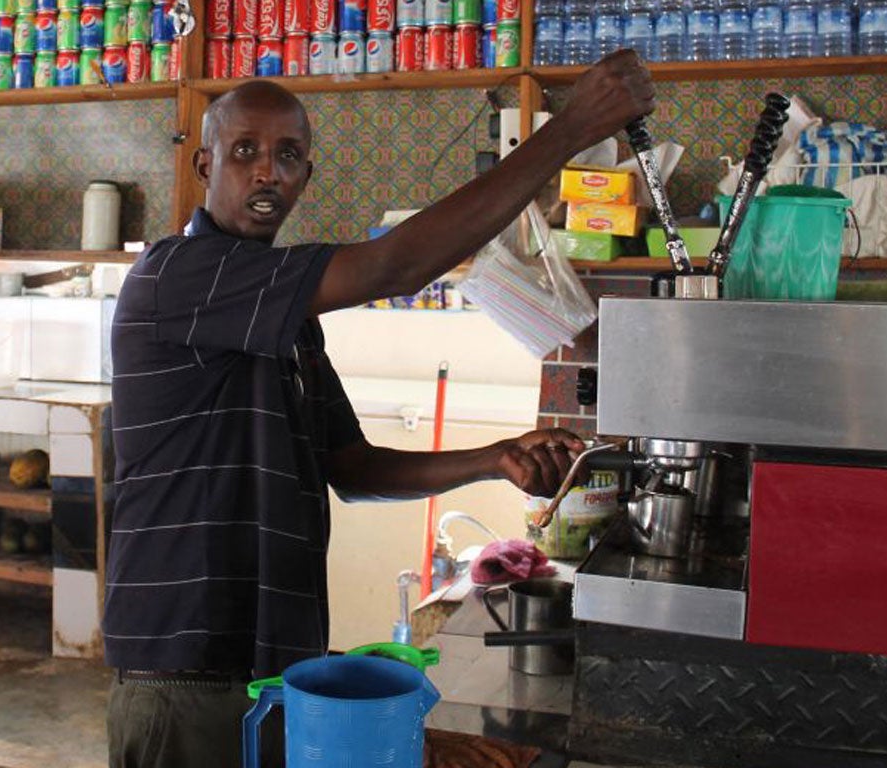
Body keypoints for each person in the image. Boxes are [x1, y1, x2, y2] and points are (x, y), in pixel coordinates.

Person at [103, 49, 654, 768]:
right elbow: (393, 265)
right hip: (183, 674)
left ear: (307, 175)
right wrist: (567, 130)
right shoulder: (174, 274)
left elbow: (353, 467)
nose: (267, 171)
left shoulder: (289, 318)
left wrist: (494, 459)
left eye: (289, 155)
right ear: (204, 167)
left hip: (273, 670)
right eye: (244, 152)